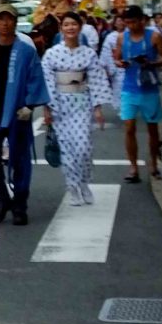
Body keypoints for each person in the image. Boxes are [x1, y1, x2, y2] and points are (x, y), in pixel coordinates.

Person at [0, 4, 50, 226]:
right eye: (1, 19)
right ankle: (3, 199)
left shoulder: (26, 52)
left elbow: (35, 78)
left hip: (17, 113)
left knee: (20, 160)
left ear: (15, 22)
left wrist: (30, 106)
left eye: (9, 19)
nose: (5, 23)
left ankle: (20, 205)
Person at [42, 12, 112, 205]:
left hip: (82, 103)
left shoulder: (88, 54)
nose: (70, 28)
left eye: (74, 24)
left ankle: (84, 183)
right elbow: (47, 81)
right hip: (60, 105)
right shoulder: (51, 54)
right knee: (67, 149)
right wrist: (48, 109)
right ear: (61, 29)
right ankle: (72, 187)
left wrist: (97, 108)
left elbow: (96, 79)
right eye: (66, 25)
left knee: (83, 147)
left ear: (80, 28)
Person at [113, 4, 162, 183]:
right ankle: (133, 167)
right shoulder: (122, 37)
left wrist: (152, 63)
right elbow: (117, 58)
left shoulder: (154, 36)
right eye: (127, 22)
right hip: (129, 88)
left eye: (134, 22)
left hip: (149, 88)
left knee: (153, 129)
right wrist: (121, 63)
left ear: (142, 20)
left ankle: (153, 163)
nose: (131, 25)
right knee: (129, 127)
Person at [99, 15, 126, 112]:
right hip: (116, 65)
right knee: (119, 87)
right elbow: (105, 51)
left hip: (129, 65)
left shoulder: (130, 34)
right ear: (115, 24)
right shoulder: (110, 37)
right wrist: (105, 66)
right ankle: (123, 108)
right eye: (118, 21)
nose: (121, 23)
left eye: (122, 20)